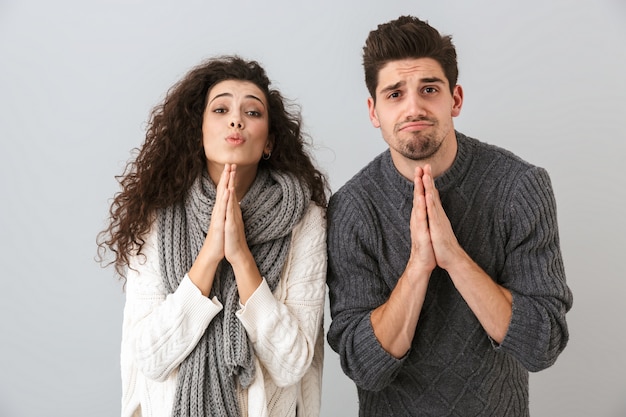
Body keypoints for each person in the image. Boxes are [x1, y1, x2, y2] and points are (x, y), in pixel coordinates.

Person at [326, 15, 573, 417]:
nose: (414, 107)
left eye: (429, 89)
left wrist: (455, 258)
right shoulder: (353, 207)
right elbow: (364, 367)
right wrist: (419, 267)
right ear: (374, 111)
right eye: (394, 94)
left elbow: (541, 344)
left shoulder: (519, 187)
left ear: (455, 99)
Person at [97, 55, 329, 417]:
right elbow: (151, 357)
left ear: (268, 142)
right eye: (220, 109)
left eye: (252, 112)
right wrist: (209, 256)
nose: (236, 119)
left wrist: (241, 258)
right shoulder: (157, 213)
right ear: (198, 131)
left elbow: (292, 363)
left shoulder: (304, 220)